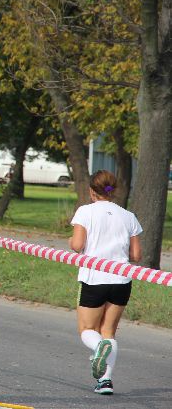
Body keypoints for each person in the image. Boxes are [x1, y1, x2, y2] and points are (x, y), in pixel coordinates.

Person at [68, 170, 142, 396]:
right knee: (108, 331)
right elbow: (136, 255)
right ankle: (105, 381)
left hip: (95, 278)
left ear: (92, 191)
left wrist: (70, 240)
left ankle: (99, 348)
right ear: (114, 191)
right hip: (121, 279)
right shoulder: (128, 216)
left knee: (87, 330)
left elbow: (77, 245)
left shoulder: (85, 211)